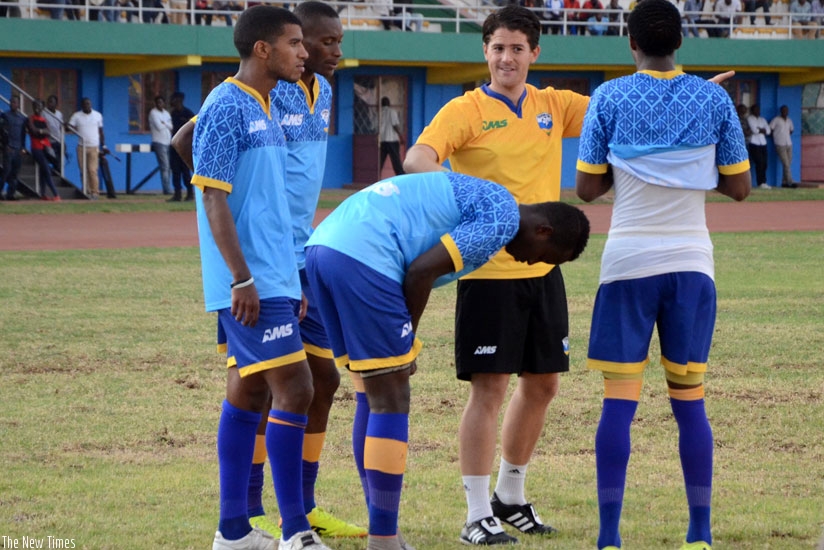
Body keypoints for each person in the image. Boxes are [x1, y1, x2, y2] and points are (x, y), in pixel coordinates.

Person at [304, 171, 590, 550]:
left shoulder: (492, 200)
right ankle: (384, 540)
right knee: (391, 398)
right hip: (365, 256)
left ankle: (384, 529)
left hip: (324, 247)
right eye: (542, 258)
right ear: (543, 231)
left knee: (370, 394)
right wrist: (407, 340)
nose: (529, 263)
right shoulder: (502, 220)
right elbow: (421, 271)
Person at [172, 3, 366, 540]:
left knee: (298, 382)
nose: (329, 51)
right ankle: (279, 521)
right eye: (316, 42)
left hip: (293, 261)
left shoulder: (318, 91)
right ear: (270, 47)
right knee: (288, 384)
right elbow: (195, 156)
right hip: (254, 267)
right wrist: (239, 237)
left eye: (330, 41)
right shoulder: (243, 97)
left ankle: (253, 522)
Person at [403, 5, 590, 545]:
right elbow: (417, 160)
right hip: (487, 272)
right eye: (498, 48)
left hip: (543, 268)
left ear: (535, 53)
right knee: (489, 389)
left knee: (544, 383)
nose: (507, 58)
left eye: (517, 48)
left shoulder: (554, 105)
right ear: (485, 51)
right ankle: (475, 512)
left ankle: (510, 495)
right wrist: (477, 199)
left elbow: (618, 111)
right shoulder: (465, 109)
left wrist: (688, 93)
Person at [574, 1, 751, 549]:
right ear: (680, 42)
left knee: (618, 405)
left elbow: (587, 189)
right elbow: (739, 188)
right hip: (691, 265)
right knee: (690, 401)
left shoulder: (607, 97)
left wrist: (636, 164)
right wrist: (692, 148)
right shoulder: (712, 98)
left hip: (627, 265)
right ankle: (700, 534)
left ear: (630, 43)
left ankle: (609, 539)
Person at [68, 97, 106, 200]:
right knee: (83, 170)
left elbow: (101, 132)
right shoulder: (77, 116)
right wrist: (67, 126)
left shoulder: (97, 115)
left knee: (92, 170)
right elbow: (69, 127)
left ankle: (95, 192)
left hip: (94, 147)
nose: (87, 106)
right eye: (85, 104)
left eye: (88, 104)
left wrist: (104, 146)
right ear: (82, 106)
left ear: (91, 104)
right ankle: (87, 191)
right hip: (81, 147)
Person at [28, 100, 61, 201]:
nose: (37, 108)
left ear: (43, 108)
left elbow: (48, 132)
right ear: (33, 107)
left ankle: (43, 194)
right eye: (36, 106)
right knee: (46, 169)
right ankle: (56, 194)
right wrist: (42, 131)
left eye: (40, 106)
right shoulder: (30, 118)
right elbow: (33, 131)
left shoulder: (44, 119)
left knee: (43, 170)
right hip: (36, 147)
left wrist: (40, 131)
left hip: (45, 147)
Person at [169, 92, 195, 201]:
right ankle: (177, 194)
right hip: (174, 146)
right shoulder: (172, 114)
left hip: (185, 146)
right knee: (175, 170)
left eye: (175, 100)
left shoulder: (188, 113)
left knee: (185, 171)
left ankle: (190, 193)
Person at [1, 95, 27, 201]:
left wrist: (23, 147)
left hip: (18, 148)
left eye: (15, 102)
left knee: (15, 173)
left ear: (18, 104)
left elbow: (23, 134)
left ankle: (10, 194)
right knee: (6, 171)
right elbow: (2, 132)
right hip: (9, 148)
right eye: (12, 102)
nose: (13, 104)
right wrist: (5, 145)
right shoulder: (5, 116)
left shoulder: (22, 118)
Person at [148, 95, 173, 196]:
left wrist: (164, 123)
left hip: (168, 141)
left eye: (161, 102)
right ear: (155, 103)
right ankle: (167, 189)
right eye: (158, 102)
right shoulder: (153, 113)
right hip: (159, 142)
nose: (160, 104)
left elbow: (171, 126)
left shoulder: (166, 113)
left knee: (169, 167)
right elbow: (158, 126)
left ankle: (168, 187)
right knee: (165, 166)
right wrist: (166, 124)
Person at [770, 104, 795, 188]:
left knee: (788, 164)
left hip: (789, 143)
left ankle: (784, 182)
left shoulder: (789, 120)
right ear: (781, 111)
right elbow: (770, 129)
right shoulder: (776, 120)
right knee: (786, 163)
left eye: (786, 110)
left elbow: (791, 130)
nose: (785, 112)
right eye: (784, 110)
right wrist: (777, 136)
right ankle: (790, 182)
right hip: (780, 144)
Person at [378, 96, 405, 177]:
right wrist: (401, 136)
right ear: (389, 103)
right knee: (396, 160)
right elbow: (395, 125)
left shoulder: (379, 113)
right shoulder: (392, 112)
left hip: (382, 140)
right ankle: (400, 176)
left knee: (380, 160)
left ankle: (376, 175)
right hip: (392, 140)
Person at [746, 104, 770, 189]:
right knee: (759, 163)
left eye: (758, 109)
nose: (758, 111)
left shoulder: (762, 119)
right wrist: (762, 130)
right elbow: (754, 130)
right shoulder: (750, 118)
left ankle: (764, 182)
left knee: (764, 163)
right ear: (752, 110)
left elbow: (768, 131)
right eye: (756, 109)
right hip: (754, 143)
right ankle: (760, 182)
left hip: (763, 143)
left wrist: (760, 129)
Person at [44, 95, 65, 174]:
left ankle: (57, 171)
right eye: (49, 102)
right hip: (48, 140)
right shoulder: (44, 113)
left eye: (52, 102)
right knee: (51, 156)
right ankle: (53, 170)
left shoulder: (59, 114)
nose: (50, 104)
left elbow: (61, 127)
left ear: (56, 104)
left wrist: (62, 140)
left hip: (58, 139)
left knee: (60, 156)